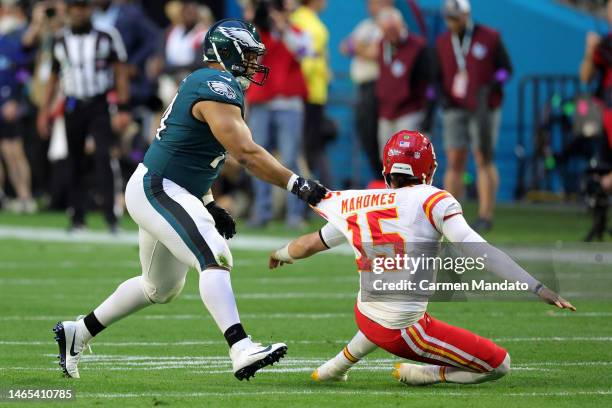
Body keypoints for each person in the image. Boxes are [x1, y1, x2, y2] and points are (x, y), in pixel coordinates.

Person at [52, 19, 328, 381]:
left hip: (164, 186)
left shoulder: (209, 84)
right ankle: (240, 346)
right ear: (227, 54)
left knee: (160, 288)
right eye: (248, 56)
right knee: (214, 255)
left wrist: (209, 202)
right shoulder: (216, 85)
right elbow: (244, 153)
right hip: (159, 188)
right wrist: (297, 184)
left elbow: (194, 153)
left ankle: (79, 331)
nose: (253, 64)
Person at [268, 130, 575, 386]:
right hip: (403, 332)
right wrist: (535, 287)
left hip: (364, 313)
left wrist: (281, 253)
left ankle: (335, 367)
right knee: (499, 365)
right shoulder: (434, 200)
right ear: (428, 170)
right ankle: (425, 374)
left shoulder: (359, 201)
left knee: (385, 302)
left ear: (388, 170)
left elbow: (309, 244)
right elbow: (479, 250)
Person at [37, 0, 131, 232]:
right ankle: (77, 217)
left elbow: (120, 71)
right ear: (68, 12)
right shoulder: (61, 39)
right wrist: (44, 111)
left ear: (90, 11)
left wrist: (123, 107)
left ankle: (111, 216)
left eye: (83, 8)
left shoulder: (107, 36)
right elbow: (53, 77)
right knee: (74, 160)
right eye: (74, 9)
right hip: (72, 104)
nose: (79, 13)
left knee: (103, 157)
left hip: (99, 103)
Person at [435, 0, 512, 232]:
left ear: (466, 15)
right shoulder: (442, 43)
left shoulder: (489, 37)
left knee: (483, 157)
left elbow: (505, 69)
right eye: (448, 18)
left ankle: (485, 214)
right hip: (455, 107)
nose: (451, 22)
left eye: (455, 17)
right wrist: (441, 96)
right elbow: (437, 76)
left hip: (483, 108)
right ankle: (450, 215)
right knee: (454, 159)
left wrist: (492, 85)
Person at [247, 0, 309, 228]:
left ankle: (295, 214)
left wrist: (284, 31)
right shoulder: (258, 35)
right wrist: (261, 32)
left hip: (289, 105)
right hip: (262, 103)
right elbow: (253, 64)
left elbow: (304, 53)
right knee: (256, 157)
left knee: (291, 158)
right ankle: (261, 212)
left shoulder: (298, 33)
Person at [340, 0, 390, 176]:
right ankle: (379, 177)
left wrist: (357, 47)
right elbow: (344, 46)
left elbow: (377, 53)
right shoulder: (366, 25)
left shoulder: (390, 24)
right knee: (365, 133)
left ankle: (385, 177)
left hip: (377, 87)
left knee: (376, 135)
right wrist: (360, 47)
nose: (371, 6)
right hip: (362, 88)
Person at [375, 7, 430, 154]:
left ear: (401, 26)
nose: (390, 34)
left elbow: (427, 81)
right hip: (386, 111)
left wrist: (426, 109)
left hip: (409, 110)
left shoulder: (418, 46)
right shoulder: (382, 44)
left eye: (393, 29)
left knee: (407, 156)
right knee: (386, 157)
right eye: (386, 31)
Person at [291, 0, 332, 186]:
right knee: (307, 148)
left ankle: (315, 192)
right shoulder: (301, 20)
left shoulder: (306, 19)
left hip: (314, 92)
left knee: (312, 146)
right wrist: (320, 70)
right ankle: (313, 193)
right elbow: (305, 58)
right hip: (308, 92)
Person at [0, 0, 35, 213]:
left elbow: (23, 73)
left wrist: (16, 100)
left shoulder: (10, 42)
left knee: (14, 152)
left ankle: (25, 196)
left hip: (8, 106)